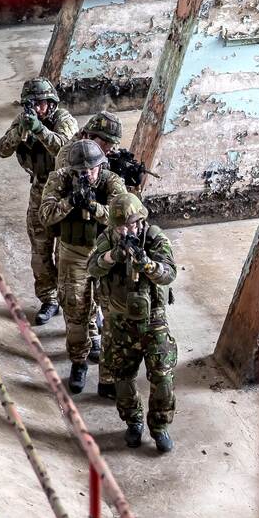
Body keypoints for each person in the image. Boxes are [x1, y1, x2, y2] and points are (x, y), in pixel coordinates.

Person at [88, 193, 178, 453]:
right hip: (120, 321)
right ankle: (133, 421)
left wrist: (147, 264)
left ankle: (159, 426)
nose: (128, 231)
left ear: (141, 221)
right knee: (122, 377)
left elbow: (169, 273)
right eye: (122, 227)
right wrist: (112, 256)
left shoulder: (154, 238)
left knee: (162, 376)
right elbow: (92, 267)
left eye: (132, 225)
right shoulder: (107, 240)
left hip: (152, 320)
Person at [39, 140, 128, 395]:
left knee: (110, 312)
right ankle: (78, 361)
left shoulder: (112, 182)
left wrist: (92, 206)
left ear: (101, 166)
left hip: (104, 253)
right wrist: (70, 201)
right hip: (73, 253)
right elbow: (45, 216)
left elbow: (121, 218)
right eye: (81, 170)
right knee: (75, 309)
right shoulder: (60, 179)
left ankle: (107, 374)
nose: (87, 174)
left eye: (92, 169)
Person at [0, 78, 78, 325]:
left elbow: (65, 150)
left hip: (63, 189)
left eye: (41, 103)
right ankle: (49, 298)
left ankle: (68, 300)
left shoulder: (64, 119)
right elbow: (2, 150)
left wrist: (40, 130)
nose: (37, 108)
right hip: (40, 188)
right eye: (32, 104)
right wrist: (21, 130)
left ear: (51, 102)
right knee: (40, 249)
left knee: (64, 252)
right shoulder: (24, 120)